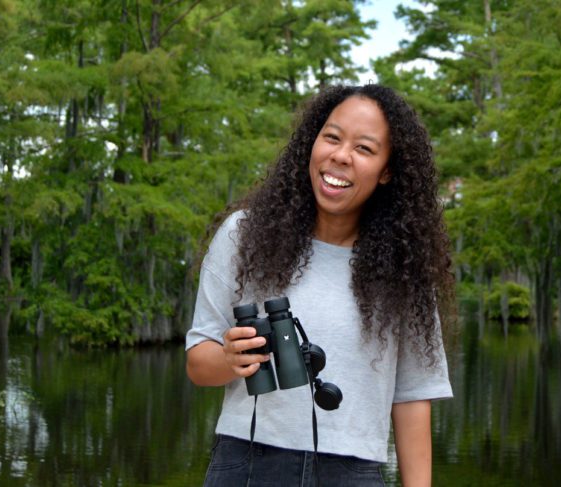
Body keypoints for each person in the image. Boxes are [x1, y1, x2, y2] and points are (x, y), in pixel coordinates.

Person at [185, 84, 453, 487]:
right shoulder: (244, 235)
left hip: (354, 471)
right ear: (311, 143)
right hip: (247, 461)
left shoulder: (404, 268)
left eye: (364, 149)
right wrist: (229, 360)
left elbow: (413, 397)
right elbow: (197, 363)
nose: (341, 156)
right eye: (331, 137)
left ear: (387, 171)